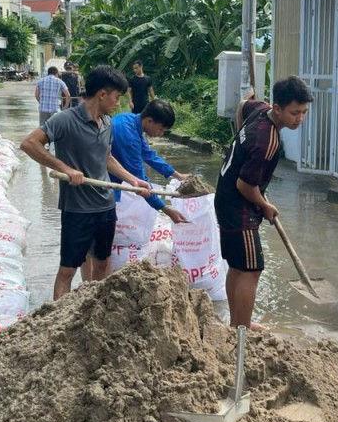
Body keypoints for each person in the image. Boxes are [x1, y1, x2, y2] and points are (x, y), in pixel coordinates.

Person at [19, 65, 151, 300]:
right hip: (77, 209)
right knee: (68, 269)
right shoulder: (65, 120)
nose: (118, 103)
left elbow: (107, 159)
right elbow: (29, 144)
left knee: (102, 265)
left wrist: (133, 180)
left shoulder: (107, 124)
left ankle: (99, 315)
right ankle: (59, 323)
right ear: (102, 94)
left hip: (106, 208)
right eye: (116, 97)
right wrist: (65, 168)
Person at [215, 76, 313, 329]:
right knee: (251, 269)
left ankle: (238, 323)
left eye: (303, 112)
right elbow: (245, 185)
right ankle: (242, 328)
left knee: (238, 266)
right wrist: (265, 205)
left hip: (224, 196)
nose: (299, 119)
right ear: (277, 108)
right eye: (294, 113)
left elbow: (243, 104)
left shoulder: (259, 110)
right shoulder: (267, 142)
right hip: (238, 205)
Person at [110, 99, 191, 225]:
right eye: (161, 129)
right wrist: (165, 209)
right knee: (103, 229)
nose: (161, 134)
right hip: (103, 186)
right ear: (149, 121)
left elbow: (149, 155)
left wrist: (177, 175)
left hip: (106, 180)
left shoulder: (130, 120)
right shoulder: (128, 136)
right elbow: (140, 180)